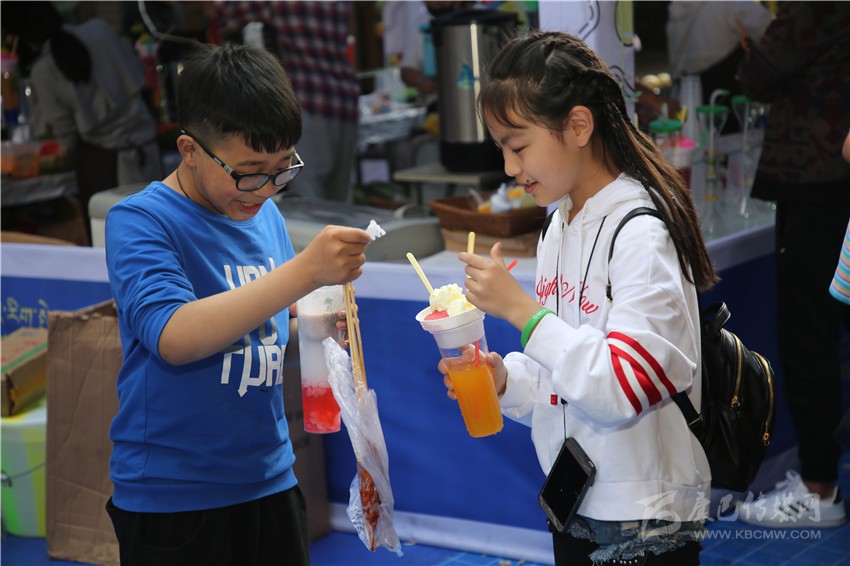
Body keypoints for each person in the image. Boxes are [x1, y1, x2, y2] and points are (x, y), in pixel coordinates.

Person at [446, 31, 717, 565]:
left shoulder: (640, 232)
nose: (509, 168)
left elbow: (624, 386)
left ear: (577, 126)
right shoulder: (559, 225)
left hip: (643, 515)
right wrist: (507, 382)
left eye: (519, 146)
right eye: (501, 149)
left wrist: (522, 313)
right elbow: (565, 385)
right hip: (576, 501)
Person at [103, 42, 372, 565]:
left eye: (282, 169)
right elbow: (174, 336)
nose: (266, 189)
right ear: (190, 149)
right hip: (176, 497)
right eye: (249, 171)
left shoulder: (262, 213)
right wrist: (304, 272)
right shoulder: (142, 221)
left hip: (269, 476)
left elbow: (263, 326)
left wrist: (313, 321)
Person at [734, 1, 850, 529]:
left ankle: (818, 487)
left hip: (818, 181)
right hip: (828, 181)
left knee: (809, 336)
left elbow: (758, 72)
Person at [2, 1, 162, 245]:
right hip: (147, 150)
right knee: (154, 233)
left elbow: (64, 136)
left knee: (116, 242)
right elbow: (140, 77)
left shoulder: (42, 70)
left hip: (103, 166)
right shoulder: (100, 30)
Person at [217, 1, 360, 203]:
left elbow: (228, 8)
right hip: (344, 99)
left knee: (309, 197)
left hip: (308, 103)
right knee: (340, 199)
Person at [665, 0, 773, 134]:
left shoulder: (676, 12)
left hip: (686, 99)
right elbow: (772, 31)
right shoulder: (728, 4)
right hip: (728, 105)